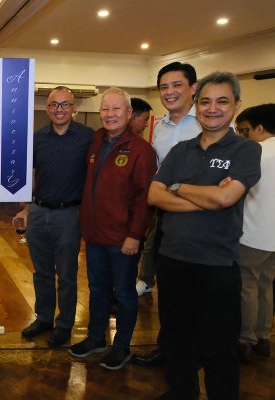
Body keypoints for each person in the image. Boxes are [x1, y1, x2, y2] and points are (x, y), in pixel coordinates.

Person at [148, 72, 261, 400]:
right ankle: (181, 393)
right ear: (197, 105)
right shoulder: (181, 149)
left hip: (217, 265)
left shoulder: (245, 150)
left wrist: (177, 186)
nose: (212, 108)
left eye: (222, 101)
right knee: (176, 340)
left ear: (236, 105)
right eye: (206, 101)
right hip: (171, 260)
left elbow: (226, 198)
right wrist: (207, 197)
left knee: (218, 347)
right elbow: (153, 195)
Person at [68, 88, 156, 370]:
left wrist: (135, 235)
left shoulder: (142, 151)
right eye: (105, 109)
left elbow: (144, 198)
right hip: (94, 235)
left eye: (116, 109)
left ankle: (122, 346)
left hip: (123, 240)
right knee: (97, 290)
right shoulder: (96, 142)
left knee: (125, 294)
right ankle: (96, 339)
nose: (110, 114)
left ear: (129, 113)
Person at [132, 62, 201, 367]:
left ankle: (191, 353)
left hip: (198, 220)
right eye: (164, 86)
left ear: (193, 88)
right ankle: (168, 348)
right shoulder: (159, 127)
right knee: (169, 288)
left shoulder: (207, 124)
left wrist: (173, 190)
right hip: (164, 216)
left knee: (193, 289)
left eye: (177, 85)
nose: (169, 92)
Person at [13, 86, 93, 348]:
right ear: (47, 109)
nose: (60, 110)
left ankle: (65, 324)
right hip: (38, 212)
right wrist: (25, 208)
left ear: (74, 108)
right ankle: (44, 318)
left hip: (69, 214)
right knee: (42, 272)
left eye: (65, 104)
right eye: (54, 105)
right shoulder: (37, 138)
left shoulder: (88, 137)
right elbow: (30, 176)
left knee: (67, 274)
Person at [233, 104, 275, 363]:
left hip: (253, 234)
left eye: (244, 131)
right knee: (265, 285)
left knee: (246, 286)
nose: (242, 136)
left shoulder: (257, 154)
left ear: (259, 128)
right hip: (273, 239)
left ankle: (245, 340)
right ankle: (263, 337)